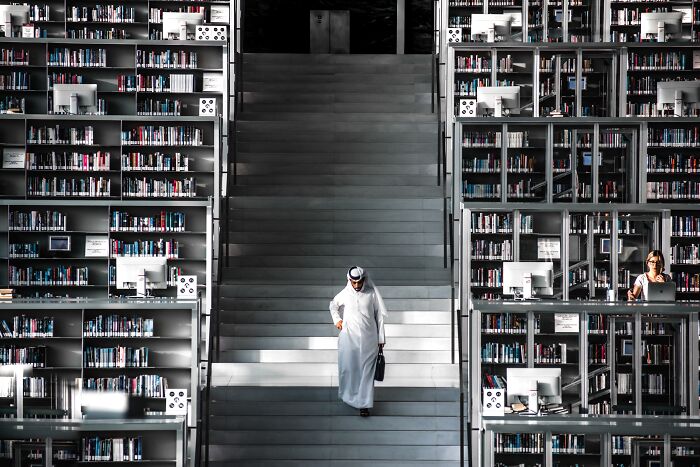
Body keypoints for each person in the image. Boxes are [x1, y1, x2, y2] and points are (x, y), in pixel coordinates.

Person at [329, 266, 386, 417]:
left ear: (364, 279)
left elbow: (379, 316)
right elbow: (333, 305)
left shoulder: (371, 293)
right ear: (349, 280)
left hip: (370, 339)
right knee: (350, 369)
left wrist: (381, 338)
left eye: (359, 282)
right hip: (349, 338)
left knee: (367, 372)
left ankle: (364, 405)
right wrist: (337, 320)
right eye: (353, 282)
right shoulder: (345, 294)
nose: (356, 285)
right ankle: (351, 397)